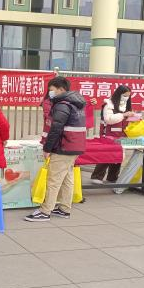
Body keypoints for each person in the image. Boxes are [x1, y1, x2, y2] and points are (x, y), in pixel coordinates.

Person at [26, 76, 86, 222]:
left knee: (53, 180)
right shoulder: (76, 103)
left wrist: (47, 148)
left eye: (52, 90)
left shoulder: (62, 105)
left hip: (63, 147)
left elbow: (55, 129)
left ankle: (45, 211)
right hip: (74, 147)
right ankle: (64, 208)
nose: (50, 93)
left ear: (61, 89)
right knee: (67, 179)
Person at [90, 85, 136, 185]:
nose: (126, 98)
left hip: (121, 135)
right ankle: (97, 176)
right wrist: (123, 115)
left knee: (118, 157)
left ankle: (112, 177)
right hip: (109, 135)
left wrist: (134, 117)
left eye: (128, 96)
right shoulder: (108, 105)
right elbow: (109, 119)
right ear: (119, 94)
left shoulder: (126, 106)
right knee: (106, 155)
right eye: (124, 95)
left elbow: (126, 120)